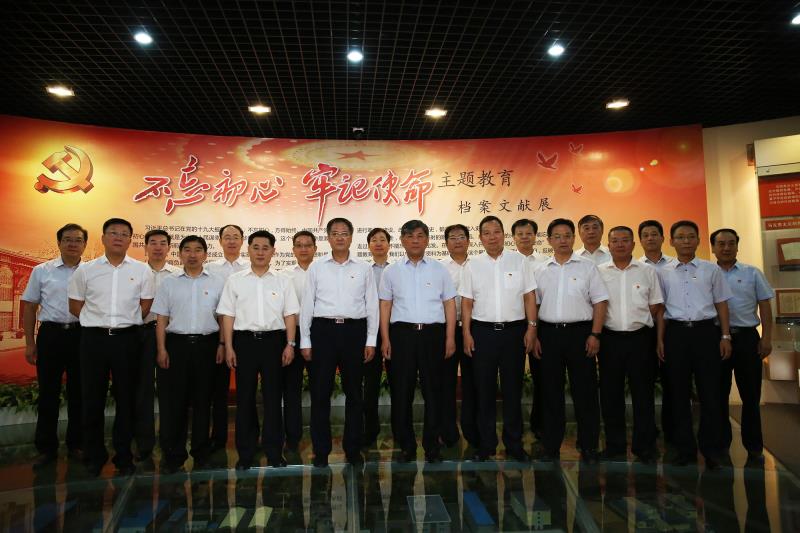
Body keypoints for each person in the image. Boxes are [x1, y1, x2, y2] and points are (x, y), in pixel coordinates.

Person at [68, 218, 155, 476]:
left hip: (127, 340)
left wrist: (123, 323)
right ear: (103, 238)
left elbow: (146, 305)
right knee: (91, 397)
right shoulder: (85, 270)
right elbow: (75, 306)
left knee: (126, 399)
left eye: (124, 234)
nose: (118, 237)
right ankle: (94, 454)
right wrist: (98, 322)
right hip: (93, 340)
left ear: (130, 240)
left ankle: (123, 454)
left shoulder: (142, 270)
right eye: (113, 233)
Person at [217, 230, 299, 469]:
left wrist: (290, 344)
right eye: (256, 247)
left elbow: (290, 314)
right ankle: (245, 453)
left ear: (273, 251)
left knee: (273, 398)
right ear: (248, 249)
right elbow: (228, 315)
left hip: (275, 343)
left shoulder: (283, 280)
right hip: (244, 343)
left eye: (265, 248)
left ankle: (274, 452)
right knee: (245, 398)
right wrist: (229, 346)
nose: (260, 252)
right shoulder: (236, 280)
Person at [300, 218, 378, 467]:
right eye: (335, 233)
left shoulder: (364, 268)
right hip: (323, 332)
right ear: (328, 237)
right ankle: (321, 450)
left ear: (351, 237)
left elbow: (372, 305)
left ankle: (353, 448)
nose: (340, 237)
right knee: (320, 393)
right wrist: (305, 340)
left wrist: (371, 340)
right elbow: (307, 304)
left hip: (355, 332)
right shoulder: (317, 267)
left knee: (355, 393)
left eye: (345, 233)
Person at [460, 216, 538, 462]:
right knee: (484, 391)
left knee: (513, 390)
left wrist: (532, 328)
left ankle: (514, 444)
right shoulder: (472, 265)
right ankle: (487, 444)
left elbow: (529, 296)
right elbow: (467, 302)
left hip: (514, 333)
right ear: (480, 238)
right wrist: (466, 333)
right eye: (487, 232)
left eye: (496, 231)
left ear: (504, 235)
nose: (492, 237)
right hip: (482, 333)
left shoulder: (520, 261)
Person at [379, 220, 456, 463]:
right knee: (402, 393)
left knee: (434, 392)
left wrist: (450, 337)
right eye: (410, 236)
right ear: (402, 240)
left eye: (420, 235)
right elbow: (385, 305)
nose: (415, 240)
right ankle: (406, 445)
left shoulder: (440, 269)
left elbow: (449, 304)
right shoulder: (391, 271)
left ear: (427, 240)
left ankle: (432, 445)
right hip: (402, 335)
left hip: (433, 335)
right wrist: (385, 338)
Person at [658, 220, 732, 468]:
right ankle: (684, 449)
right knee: (677, 394)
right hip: (676, 334)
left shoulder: (711, 270)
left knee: (710, 393)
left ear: (699, 240)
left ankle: (711, 450)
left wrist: (725, 336)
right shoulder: (663, 271)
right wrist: (660, 340)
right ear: (671, 241)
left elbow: (722, 304)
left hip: (706, 333)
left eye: (691, 236)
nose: (686, 241)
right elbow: (660, 310)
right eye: (680, 237)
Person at [533, 218, 608, 463]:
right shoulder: (541, 270)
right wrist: (535, 335)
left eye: (567, 235)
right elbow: (534, 305)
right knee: (550, 393)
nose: (562, 240)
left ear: (574, 238)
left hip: (581, 335)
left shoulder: (588, 267)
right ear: (549, 240)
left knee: (585, 392)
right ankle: (551, 446)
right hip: (548, 335)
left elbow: (600, 302)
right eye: (557, 236)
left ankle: (588, 446)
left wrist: (595, 334)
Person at [152, 235, 225, 472]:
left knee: (203, 400)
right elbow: (161, 318)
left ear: (205, 254)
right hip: (176, 346)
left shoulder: (217, 282)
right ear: (180, 253)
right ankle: (174, 453)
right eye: (187, 250)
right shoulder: (169, 283)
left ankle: (201, 452)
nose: (192, 254)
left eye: (198, 250)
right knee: (175, 402)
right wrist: (161, 349)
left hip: (207, 345)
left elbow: (223, 317)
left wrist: (222, 344)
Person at [21, 223, 87, 468]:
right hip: (51, 335)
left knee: (79, 393)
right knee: (48, 393)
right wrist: (30, 343)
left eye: (78, 240)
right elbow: (30, 306)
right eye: (67, 239)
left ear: (84, 245)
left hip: (81, 334)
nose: (72, 244)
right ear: (59, 243)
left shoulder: (92, 272)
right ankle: (46, 448)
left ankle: (76, 444)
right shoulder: (42, 270)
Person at [597, 226, 664, 463]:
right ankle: (615, 445)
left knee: (643, 393)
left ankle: (644, 446)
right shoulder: (599, 271)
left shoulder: (647, 271)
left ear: (633, 244)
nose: (620, 244)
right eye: (615, 241)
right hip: (610, 339)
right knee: (610, 394)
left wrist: (639, 322)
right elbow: (595, 304)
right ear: (608, 245)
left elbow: (656, 305)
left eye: (625, 240)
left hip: (640, 339)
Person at [710, 228, 774, 464]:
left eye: (731, 243)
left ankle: (754, 446)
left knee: (751, 395)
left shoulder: (752, 273)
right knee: (718, 394)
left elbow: (765, 306)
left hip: (747, 338)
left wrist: (766, 339)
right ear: (713, 248)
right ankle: (721, 444)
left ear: (737, 246)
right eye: (721, 244)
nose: (726, 248)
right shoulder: (707, 273)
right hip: (716, 338)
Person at [135, 229, 179, 461]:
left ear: (169, 248)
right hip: (141, 334)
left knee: (169, 389)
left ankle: (169, 441)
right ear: (145, 247)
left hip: (169, 336)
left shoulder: (178, 274)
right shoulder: (135, 272)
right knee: (142, 389)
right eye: (153, 243)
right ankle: (144, 443)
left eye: (163, 243)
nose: (158, 247)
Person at [205, 224, 248, 451]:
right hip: (217, 334)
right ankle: (218, 437)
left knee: (247, 388)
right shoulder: (209, 269)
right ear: (220, 241)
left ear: (242, 241)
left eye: (236, 237)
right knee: (218, 388)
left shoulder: (252, 266)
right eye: (227, 237)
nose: (231, 241)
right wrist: (222, 341)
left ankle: (249, 437)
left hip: (245, 333)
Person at [637, 219, 676, 444]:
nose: (650, 238)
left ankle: (672, 431)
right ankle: (649, 431)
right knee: (645, 382)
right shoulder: (637, 267)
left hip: (674, 330)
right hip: (645, 330)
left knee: (672, 382)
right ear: (640, 241)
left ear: (663, 238)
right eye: (646, 235)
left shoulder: (675, 265)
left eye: (654, 234)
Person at [440, 223, 478, 448]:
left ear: (469, 240)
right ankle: (448, 432)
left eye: (461, 237)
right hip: (448, 330)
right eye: (452, 237)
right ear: (446, 243)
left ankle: (471, 430)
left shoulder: (478, 265)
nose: (457, 241)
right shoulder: (440, 268)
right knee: (446, 382)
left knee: (473, 381)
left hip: (474, 329)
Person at [280, 230, 317, 452]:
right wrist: (290, 341)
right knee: (291, 389)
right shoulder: (283, 276)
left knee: (319, 388)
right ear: (293, 249)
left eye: (308, 245)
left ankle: (318, 436)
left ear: (315, 248)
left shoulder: (322, 271)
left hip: (319, 336)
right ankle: (293, 437)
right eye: (299, 245)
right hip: (291, 336)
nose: (303, 249)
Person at [511, 217, 547, 440]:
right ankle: (515, 426)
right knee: (512, 378)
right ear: (513, 238)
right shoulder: (507, 261)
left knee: (541, 375)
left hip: (539, 323)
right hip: (513, 324)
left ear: (535, 236)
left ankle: (539, 423)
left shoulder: (545, 262)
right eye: (520, 234)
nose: (524, 237)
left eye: (529, 233)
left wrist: (535, 328)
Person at [364, 227, 391, 449]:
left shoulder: (398, 270)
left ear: (389, 245)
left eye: (383, 239)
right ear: (369, 246)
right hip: (370, 332)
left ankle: (400, 428)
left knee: (399, 382)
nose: (379, 243)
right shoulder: (364, 271)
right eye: (374, 240)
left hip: (394, 332)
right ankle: (370, 430)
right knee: (370, 383)